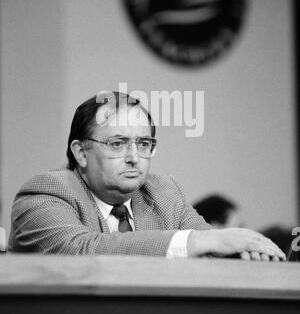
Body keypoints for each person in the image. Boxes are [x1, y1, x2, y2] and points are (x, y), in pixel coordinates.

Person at [9, 91, 285, 261]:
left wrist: (248, 253)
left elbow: (214, 251)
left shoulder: (163, 192)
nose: (134, 157)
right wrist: (200, 241)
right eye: (117, 144)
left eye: (143, 144)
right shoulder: (46, 193)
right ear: (81, 152)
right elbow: (80, 251)